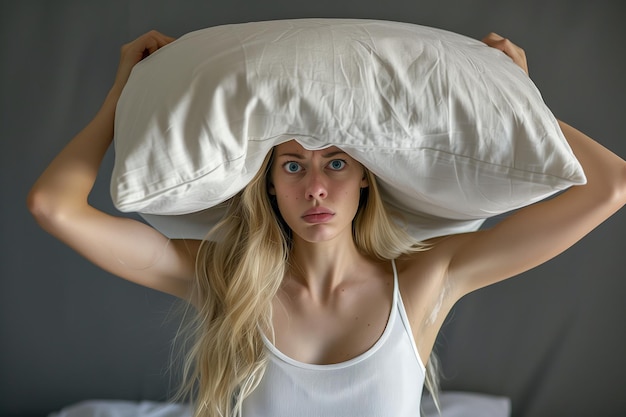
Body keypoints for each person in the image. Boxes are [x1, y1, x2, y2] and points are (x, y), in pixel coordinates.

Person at [27, 29, 626, 417]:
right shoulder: (228, 279)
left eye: (336, 162)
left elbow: (612, 186)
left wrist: (518, 98)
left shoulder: (425, 279)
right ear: (268, 181)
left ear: (366, 176)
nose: (315, 186)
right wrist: (119, 97)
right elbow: (53, 207)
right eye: (293, 165)